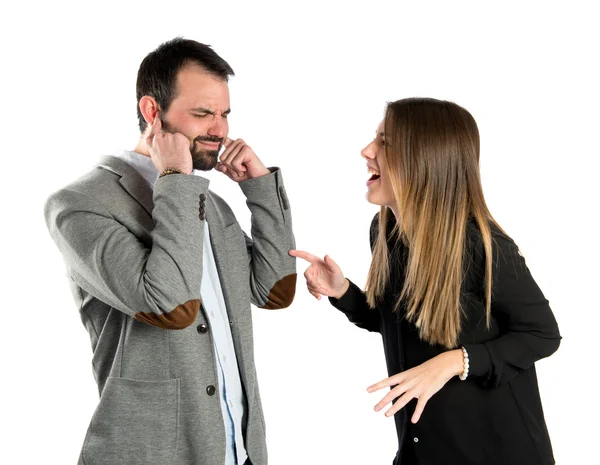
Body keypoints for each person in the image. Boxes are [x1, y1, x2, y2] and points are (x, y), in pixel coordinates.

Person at [45, 38, 296, 465]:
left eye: (224, 113)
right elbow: (171, 306)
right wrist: (176, 178)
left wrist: (259, 189)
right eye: (202, 113)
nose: (219, 129)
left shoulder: (205, 202)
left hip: (240, 452)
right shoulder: (80, 204)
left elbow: (274, 290)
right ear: (152, 112)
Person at [290, 98, 560, 465]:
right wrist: (344, 293)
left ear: (424, 158)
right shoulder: (386, 233)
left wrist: (456, 361)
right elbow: (402, 321)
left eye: (385, 142)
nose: (367, 151)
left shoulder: (481, 245)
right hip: (425, 449)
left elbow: (541, 333)